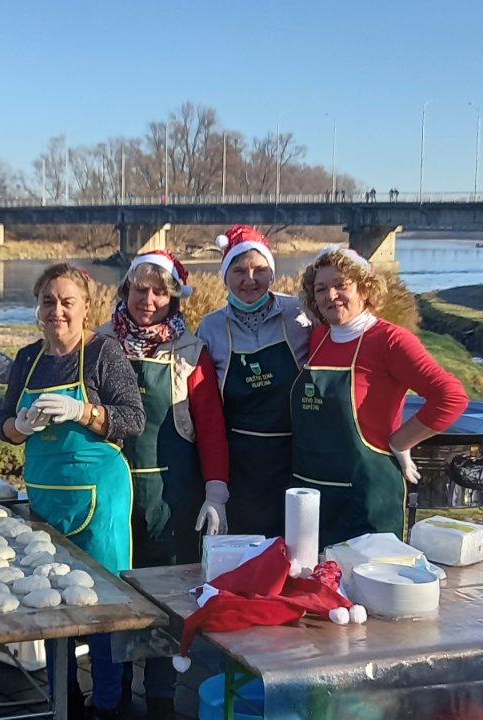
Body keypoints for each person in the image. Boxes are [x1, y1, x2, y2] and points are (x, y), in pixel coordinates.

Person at [0, 263, 144, 719]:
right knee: (52, 600)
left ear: (86, 308)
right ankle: (65, 701)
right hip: (46, 500)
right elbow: (4, 425)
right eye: (47, 301)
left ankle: (110, 703)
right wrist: (18, 426)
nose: (56, 310)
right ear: (37, 308)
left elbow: (132, 420)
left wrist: (85, 412)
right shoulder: (26, 359)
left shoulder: (104, 353)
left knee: (104, 608)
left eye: (67, 301)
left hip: (99, 501)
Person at [93, 251, 230, 718]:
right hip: (110, 495)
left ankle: (161, 697)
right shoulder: (100, 344)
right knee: (113, 593)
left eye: (159, 292)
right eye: (139, 289)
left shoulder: (190, 352)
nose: (147, 300)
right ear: (125, 290)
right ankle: (109, 694)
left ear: (173, 298)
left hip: (171, 497)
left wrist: (216, 490)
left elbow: (211, 428)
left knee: (165, 601)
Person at [292, 246, 468, 546]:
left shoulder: (390, 341)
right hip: (311, 494)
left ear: (364, 288)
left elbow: (451, 397)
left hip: (367, 494)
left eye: (341, 285)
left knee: (365, 586)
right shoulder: (320, 337)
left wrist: (402, 441)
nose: (330, 295)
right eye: (321, 289)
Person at [196, 225, 312, 537]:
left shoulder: (300, 313)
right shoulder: (210, 327)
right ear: (225, 276)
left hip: (297, 455)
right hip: (240, 462)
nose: (250, 279)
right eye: (239, 270)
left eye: (259, 269)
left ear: (272, 274)